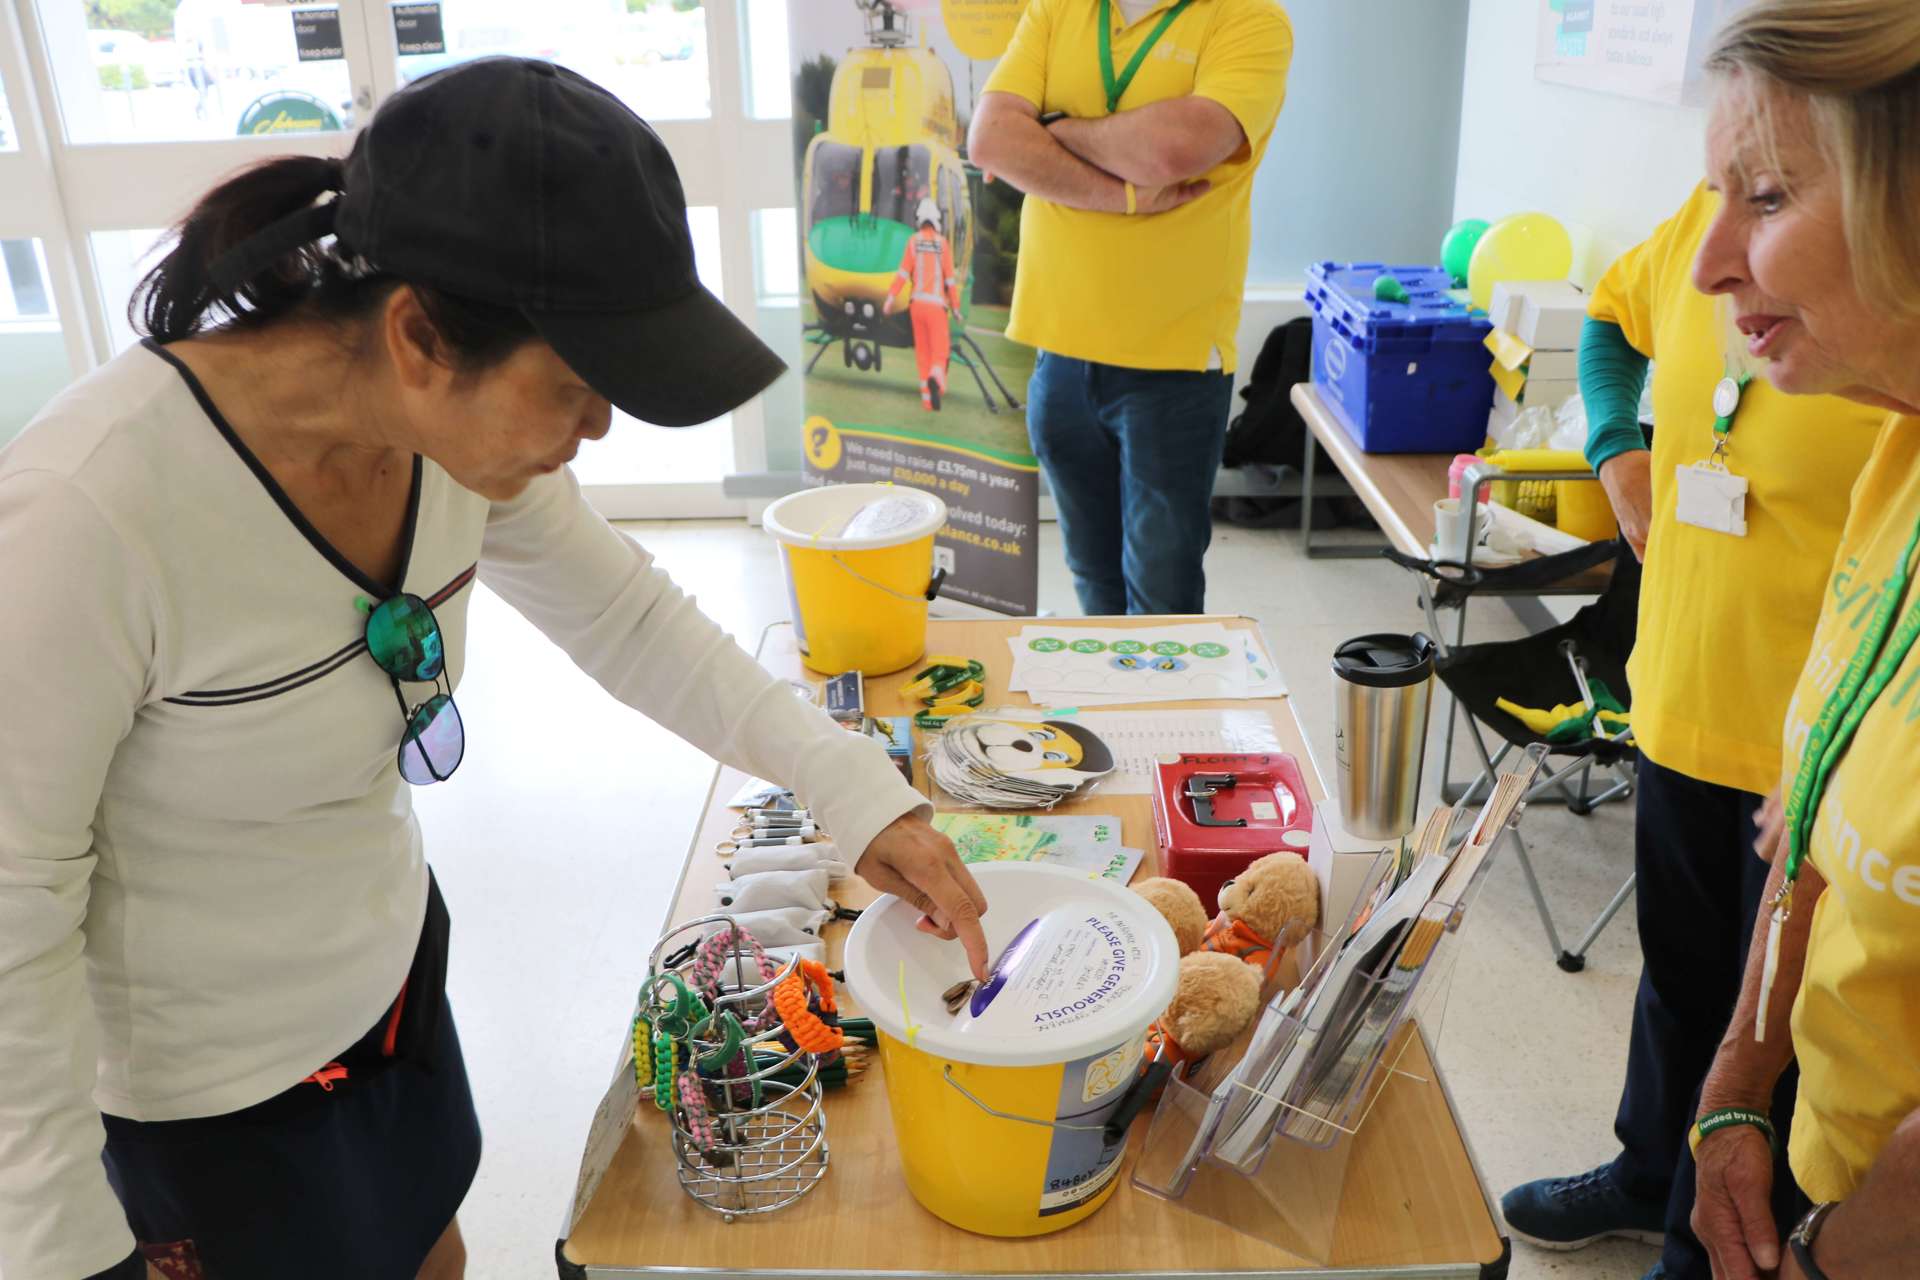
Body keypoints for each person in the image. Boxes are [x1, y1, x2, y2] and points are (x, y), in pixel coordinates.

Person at [0, 58, 989, 1280]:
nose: (600, 428)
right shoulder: (88, 511)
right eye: (575, 387)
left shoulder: (446, 443)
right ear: (417, 333)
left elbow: (628, 617)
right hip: (202, 1099)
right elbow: (12, 896)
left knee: (434, 1253)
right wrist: (57, 1246)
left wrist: (854, 788)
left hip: (388, 985)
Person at [1497, 183, 1883, 1280]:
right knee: (1679, 974)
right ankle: (1643, 1165)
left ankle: (1700, 1247)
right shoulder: (1699, 225)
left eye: (1764, 182)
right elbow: (1613, 328)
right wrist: (1617, 449)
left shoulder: (1878, 295)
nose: (1724, 238)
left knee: (1773, 1044)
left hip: (1822, 765)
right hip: (1679, 702)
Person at [1673, 3, 1920, 1279]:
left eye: (1764, 196)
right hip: (1825, 1148)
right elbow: (1817, 807)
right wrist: (1740, 1079)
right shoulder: (1896, 453)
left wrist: (1827, 1257)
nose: (1712, 262)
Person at [967, 0, 1293, 615]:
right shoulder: (1057, 9)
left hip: (1174, 363)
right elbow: (990, 138)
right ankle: (1112, 713)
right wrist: (1123, 196)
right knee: (1093, 579)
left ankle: (1168, 715)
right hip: (1058, 353)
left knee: (1162, 595)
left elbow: (1176, 150)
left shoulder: (1249, 19)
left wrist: (1056, 131)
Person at [882, 197, 962, 411]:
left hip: (916, 306)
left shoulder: (913, 241)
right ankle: (937, 378)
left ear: (919, 220)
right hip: (936, 306)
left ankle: (928, 402)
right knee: (940, 351)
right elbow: (950, 280)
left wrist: (890, 299)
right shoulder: (943, 243)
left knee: (923, 353)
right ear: (936, 220)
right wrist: (955, 307)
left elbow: (902, 273)